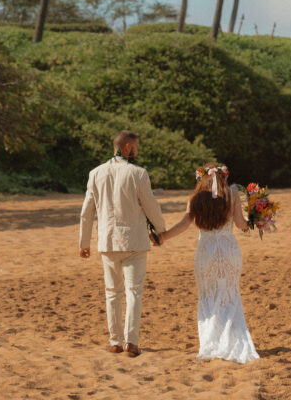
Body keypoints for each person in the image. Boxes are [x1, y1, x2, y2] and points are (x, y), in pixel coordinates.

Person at [79, 130, 166, 357]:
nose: (137, 151)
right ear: (127, 147)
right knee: (134, 292)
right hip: (134, 241)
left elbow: (86, 212)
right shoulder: (138, 173)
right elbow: (150, 206)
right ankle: (132, 342)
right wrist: (161, 231)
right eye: (136, 146)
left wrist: (84, 242)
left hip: (107, 241)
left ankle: (115, 341)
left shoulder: (95, 173)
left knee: (112, 292)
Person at [161, 163, 259, 363]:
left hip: (206, 253)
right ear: (224, 176)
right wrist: (255, 218)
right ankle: (232, 342)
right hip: (229, 251)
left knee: (208, 297)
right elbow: (241, 225)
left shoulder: (196, 197)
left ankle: (212, 343)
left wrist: (163, 237)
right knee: (229, 296)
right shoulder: (231, 194)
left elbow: (185, 223)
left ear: (202, 177)